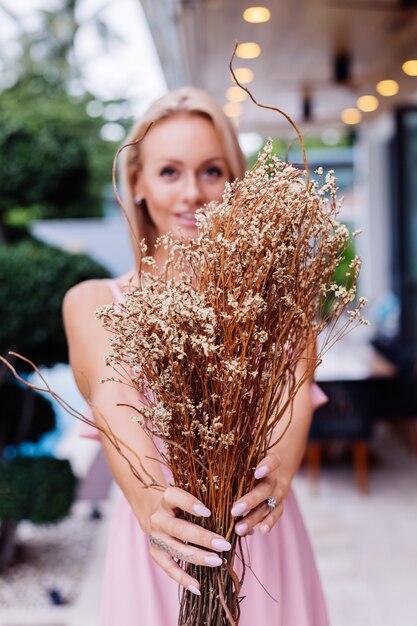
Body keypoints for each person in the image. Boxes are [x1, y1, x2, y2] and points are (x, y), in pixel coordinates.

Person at [63, 86, 329, 626]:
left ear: (236, 181)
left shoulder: (283, 305)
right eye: (169, 172)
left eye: (212, 170)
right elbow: (116, 412)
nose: (193, 193)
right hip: (164, 549)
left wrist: (274, 476)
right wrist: (151, 502)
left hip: (261, 545)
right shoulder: (96, 303)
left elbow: (293, 402)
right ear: (135, 182)